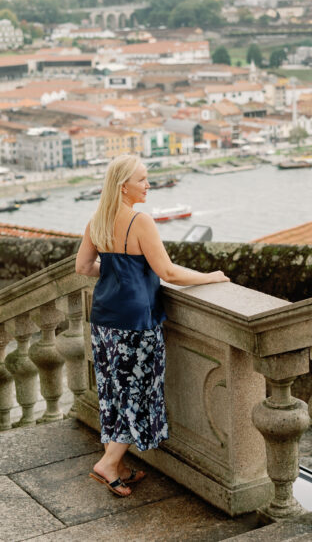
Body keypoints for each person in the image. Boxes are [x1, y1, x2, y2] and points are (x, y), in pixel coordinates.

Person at [75, 154, 229, 497]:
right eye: (142, 179)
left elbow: (84, 267)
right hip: (135, 322)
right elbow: (169, 273)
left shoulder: (96, 220)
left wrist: (118, 271)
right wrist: (210, 277)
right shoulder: (139, 222)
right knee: (138, 393)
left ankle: (118, 464)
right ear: (123, 186)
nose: (148, 185)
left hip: (103, 321)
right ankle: (108, 464)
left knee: (115, 393)